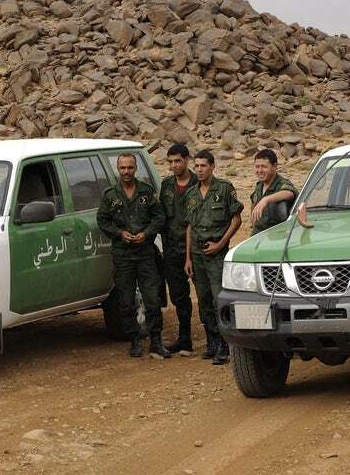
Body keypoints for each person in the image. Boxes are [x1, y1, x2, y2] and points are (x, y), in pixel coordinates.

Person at [98, 153, 170, 359]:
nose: (126, 172)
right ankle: (134, 341)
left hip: (145, 254)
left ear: (135, 168)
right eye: (123, 168)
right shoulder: (110, 195)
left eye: (130, 168)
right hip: (123, 255)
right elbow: (103, 220)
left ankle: (156, 341)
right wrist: (120, 233)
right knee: (126, 301)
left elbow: (159, 217)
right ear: (117, 169)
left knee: (152, 299)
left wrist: (146, 234)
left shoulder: (147, 192)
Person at [184, 150, 243, 365]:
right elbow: (190, 226)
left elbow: (236, 220)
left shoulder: (224, 189)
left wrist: (220, 244)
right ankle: (212, 341)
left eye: (203, 166)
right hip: (198, 256)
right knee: (204, 300)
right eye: (196, 166)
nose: (199, 170)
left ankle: (225, 345)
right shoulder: (191, 194)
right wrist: (188, 258)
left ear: (212, 166)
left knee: (220, 300)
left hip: (217, 255)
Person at [158, 143, 198, 353]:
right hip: (172, 249)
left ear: (186, 160)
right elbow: (161, 216)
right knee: (178, 296)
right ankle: (184, 340)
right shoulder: (166, 186)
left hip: (197, 249)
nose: (174, 165)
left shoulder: (199, 183)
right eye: (170, 162)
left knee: (206, 295)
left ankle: (217, 342)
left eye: (178, 161)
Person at [249, 148, 298, 234]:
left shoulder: (281, 183)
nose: (260, 171)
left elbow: (289, 193)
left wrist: (266, 200)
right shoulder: (259, 186)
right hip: (257, 235)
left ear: (274, 166)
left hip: (275, 237)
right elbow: (254, 203)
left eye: (264, 167)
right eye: (257, 167)